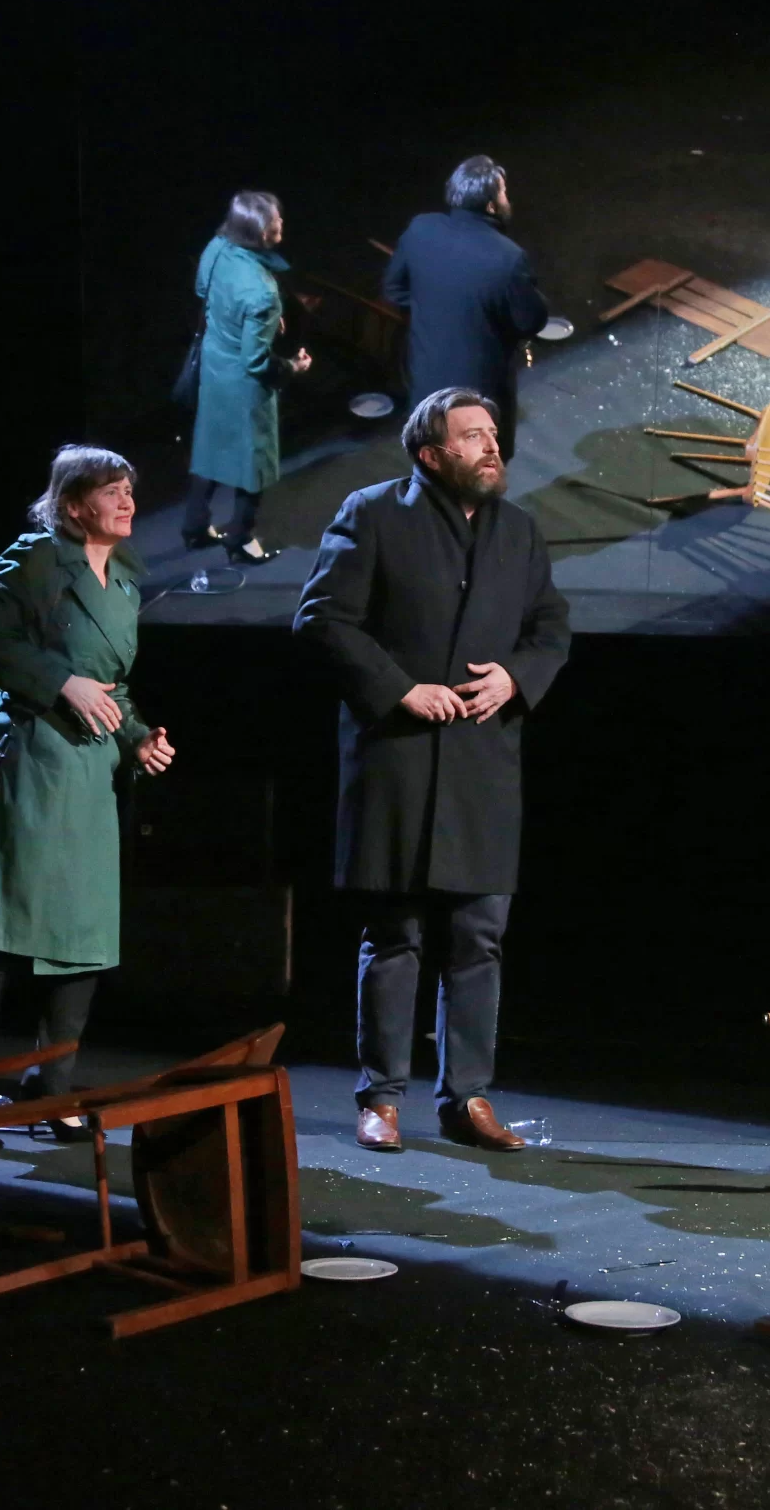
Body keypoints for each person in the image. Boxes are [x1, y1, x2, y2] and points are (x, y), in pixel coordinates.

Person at [290, 387, 573, 1152]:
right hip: (400, 758)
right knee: (396, 933)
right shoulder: (374, 513)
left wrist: (515, 677)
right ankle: (381, 1098)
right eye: (472, 435)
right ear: (431, 453)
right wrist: (399, 688)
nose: (492, 445)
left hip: (483, 761)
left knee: (480, 936)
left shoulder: (518, 530)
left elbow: (551, 626)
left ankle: (467, 1097)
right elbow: (322, 617)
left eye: (493, 433)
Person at [0, 445, 176, 1143]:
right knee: (6, 926)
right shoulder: (37, 558)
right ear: (74, 505)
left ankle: (53, 1087)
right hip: (36, 759)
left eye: (129, 488)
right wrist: (60, 682)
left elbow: (112, 683)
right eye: (111, 490)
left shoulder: (126, 577)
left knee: (85, 937)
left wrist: (137, 737)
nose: (127, 501)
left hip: (92, 771)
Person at [382, 156, 549, 460]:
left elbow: (394, 289)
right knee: (481, 472)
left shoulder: (421, 229)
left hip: (427, 385)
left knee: (431, 464)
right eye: (503, 192)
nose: (507, 198)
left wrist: (432, 308)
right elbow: (530, 320)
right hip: (479, 396)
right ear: (491, 206)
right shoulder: (508, 257)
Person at [185, 190, 310, 565]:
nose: (281, 222)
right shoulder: (262, 293)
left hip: (214, 366)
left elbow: (203, 290)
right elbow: (255, 362)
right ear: (259, 233)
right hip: (244, 387)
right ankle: (240, 539)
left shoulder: (217, 247)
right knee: (254, 464)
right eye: (275, 221)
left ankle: (194, 527)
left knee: (209, 448)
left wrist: (252, 319)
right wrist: (293, 367)